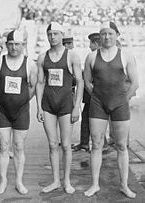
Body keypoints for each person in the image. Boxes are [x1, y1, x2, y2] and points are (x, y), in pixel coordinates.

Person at [84, 22, 138, 198]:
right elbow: (87, 82)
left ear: (116, 35)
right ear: (100, 36)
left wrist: (123, 98)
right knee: (97, 144)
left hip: (120, 104)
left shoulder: (126, 56)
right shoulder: (92, 57)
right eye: (103, 34)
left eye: (110, 33)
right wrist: (99, 97)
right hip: (98, 104)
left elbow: (135, 83)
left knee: (121, 145)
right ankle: (94, 184)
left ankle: (124, 185)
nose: (107, 37)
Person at [36, 22, 84, 194]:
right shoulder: (42, 57)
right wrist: (39, 108)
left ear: (62, 35)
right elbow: (40, 83)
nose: (52, 37)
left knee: (65, 145)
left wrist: (76, 106)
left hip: (65, 104)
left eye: (55, 34)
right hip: (48, 105)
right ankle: (55, 180)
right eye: (49, 34)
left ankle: (67, 181)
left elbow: (80, 81)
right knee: (52, 144)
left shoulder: (72, 56)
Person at [0, 29, 38, 195]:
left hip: (21, 111)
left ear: (23, 45)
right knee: (3, 146)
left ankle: (18, 181)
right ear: (6, 45)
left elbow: (33, 86)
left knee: (18, 146)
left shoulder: (30, 64)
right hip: (2, 110)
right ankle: (3, 181)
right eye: (10, 44)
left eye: (17, 44)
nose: (13, 47)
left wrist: (23, 100)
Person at [72, 33, 100, 152]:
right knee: (86, 118)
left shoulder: (95, 56)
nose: (89, 46)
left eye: (91, 43)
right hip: (91, 95)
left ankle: (94, 144)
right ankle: (85, 143)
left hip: (95, 94)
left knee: (95, 120)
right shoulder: (95, 56)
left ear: (96, 44)